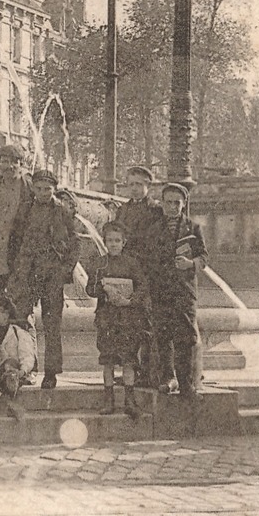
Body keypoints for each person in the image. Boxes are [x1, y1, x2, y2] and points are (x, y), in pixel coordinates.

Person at [11, 169, 79, 389]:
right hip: (28, 274)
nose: (42, 193)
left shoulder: (62, 212)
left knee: (52, 326)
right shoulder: (25, 210)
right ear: (33, 188)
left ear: (54, 189)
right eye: (38, 188)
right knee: (22, 322)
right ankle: (27, 369)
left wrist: (64, 270)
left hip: (52, 275)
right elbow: (14, 240)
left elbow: (75, 244)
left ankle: (51, 373)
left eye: (47, 189)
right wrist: (16, 269)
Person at [144, 184, 208, 401]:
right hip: (161, 290)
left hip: (184, 290)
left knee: (187, 337)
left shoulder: (193, 228)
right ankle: (167, 377)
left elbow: (204, 258)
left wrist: (191, 263)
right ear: (162, 203)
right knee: (163, 335)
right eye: (168, 202)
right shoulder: (152, 229)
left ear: (183, 204)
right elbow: (148, 262)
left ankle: (186, 383)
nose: (172, 207)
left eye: (176, 203)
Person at [86, 221, 150, 420]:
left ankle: (129, 401)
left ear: (124, 242)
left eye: (117, 241)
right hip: (107, 318)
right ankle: (109, 400)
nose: (113, 244)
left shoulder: (132, 263)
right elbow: (90, 288)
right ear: (104, 242)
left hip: (128, 318)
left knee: (128, 360)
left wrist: (129, 300)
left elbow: (143, 286)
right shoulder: (99, 263)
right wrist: (104, 291)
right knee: (108, 360)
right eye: (110, 241)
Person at [113, 166, 163, 387]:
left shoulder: (156, 211)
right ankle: (129, 370)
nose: (134, 189)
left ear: (148, 186)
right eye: (131, 184)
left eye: (139, 184)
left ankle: (149, 371)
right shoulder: (122, 211)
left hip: (148, 273)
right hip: (127, 273)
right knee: (127, 323)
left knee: (147, 323)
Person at [0, 144, 34, 302]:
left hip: (15, 257)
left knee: (15, 304)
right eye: (4, 161)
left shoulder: (29, 191)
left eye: (14, 162)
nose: (9, 166)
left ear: (21, 165)